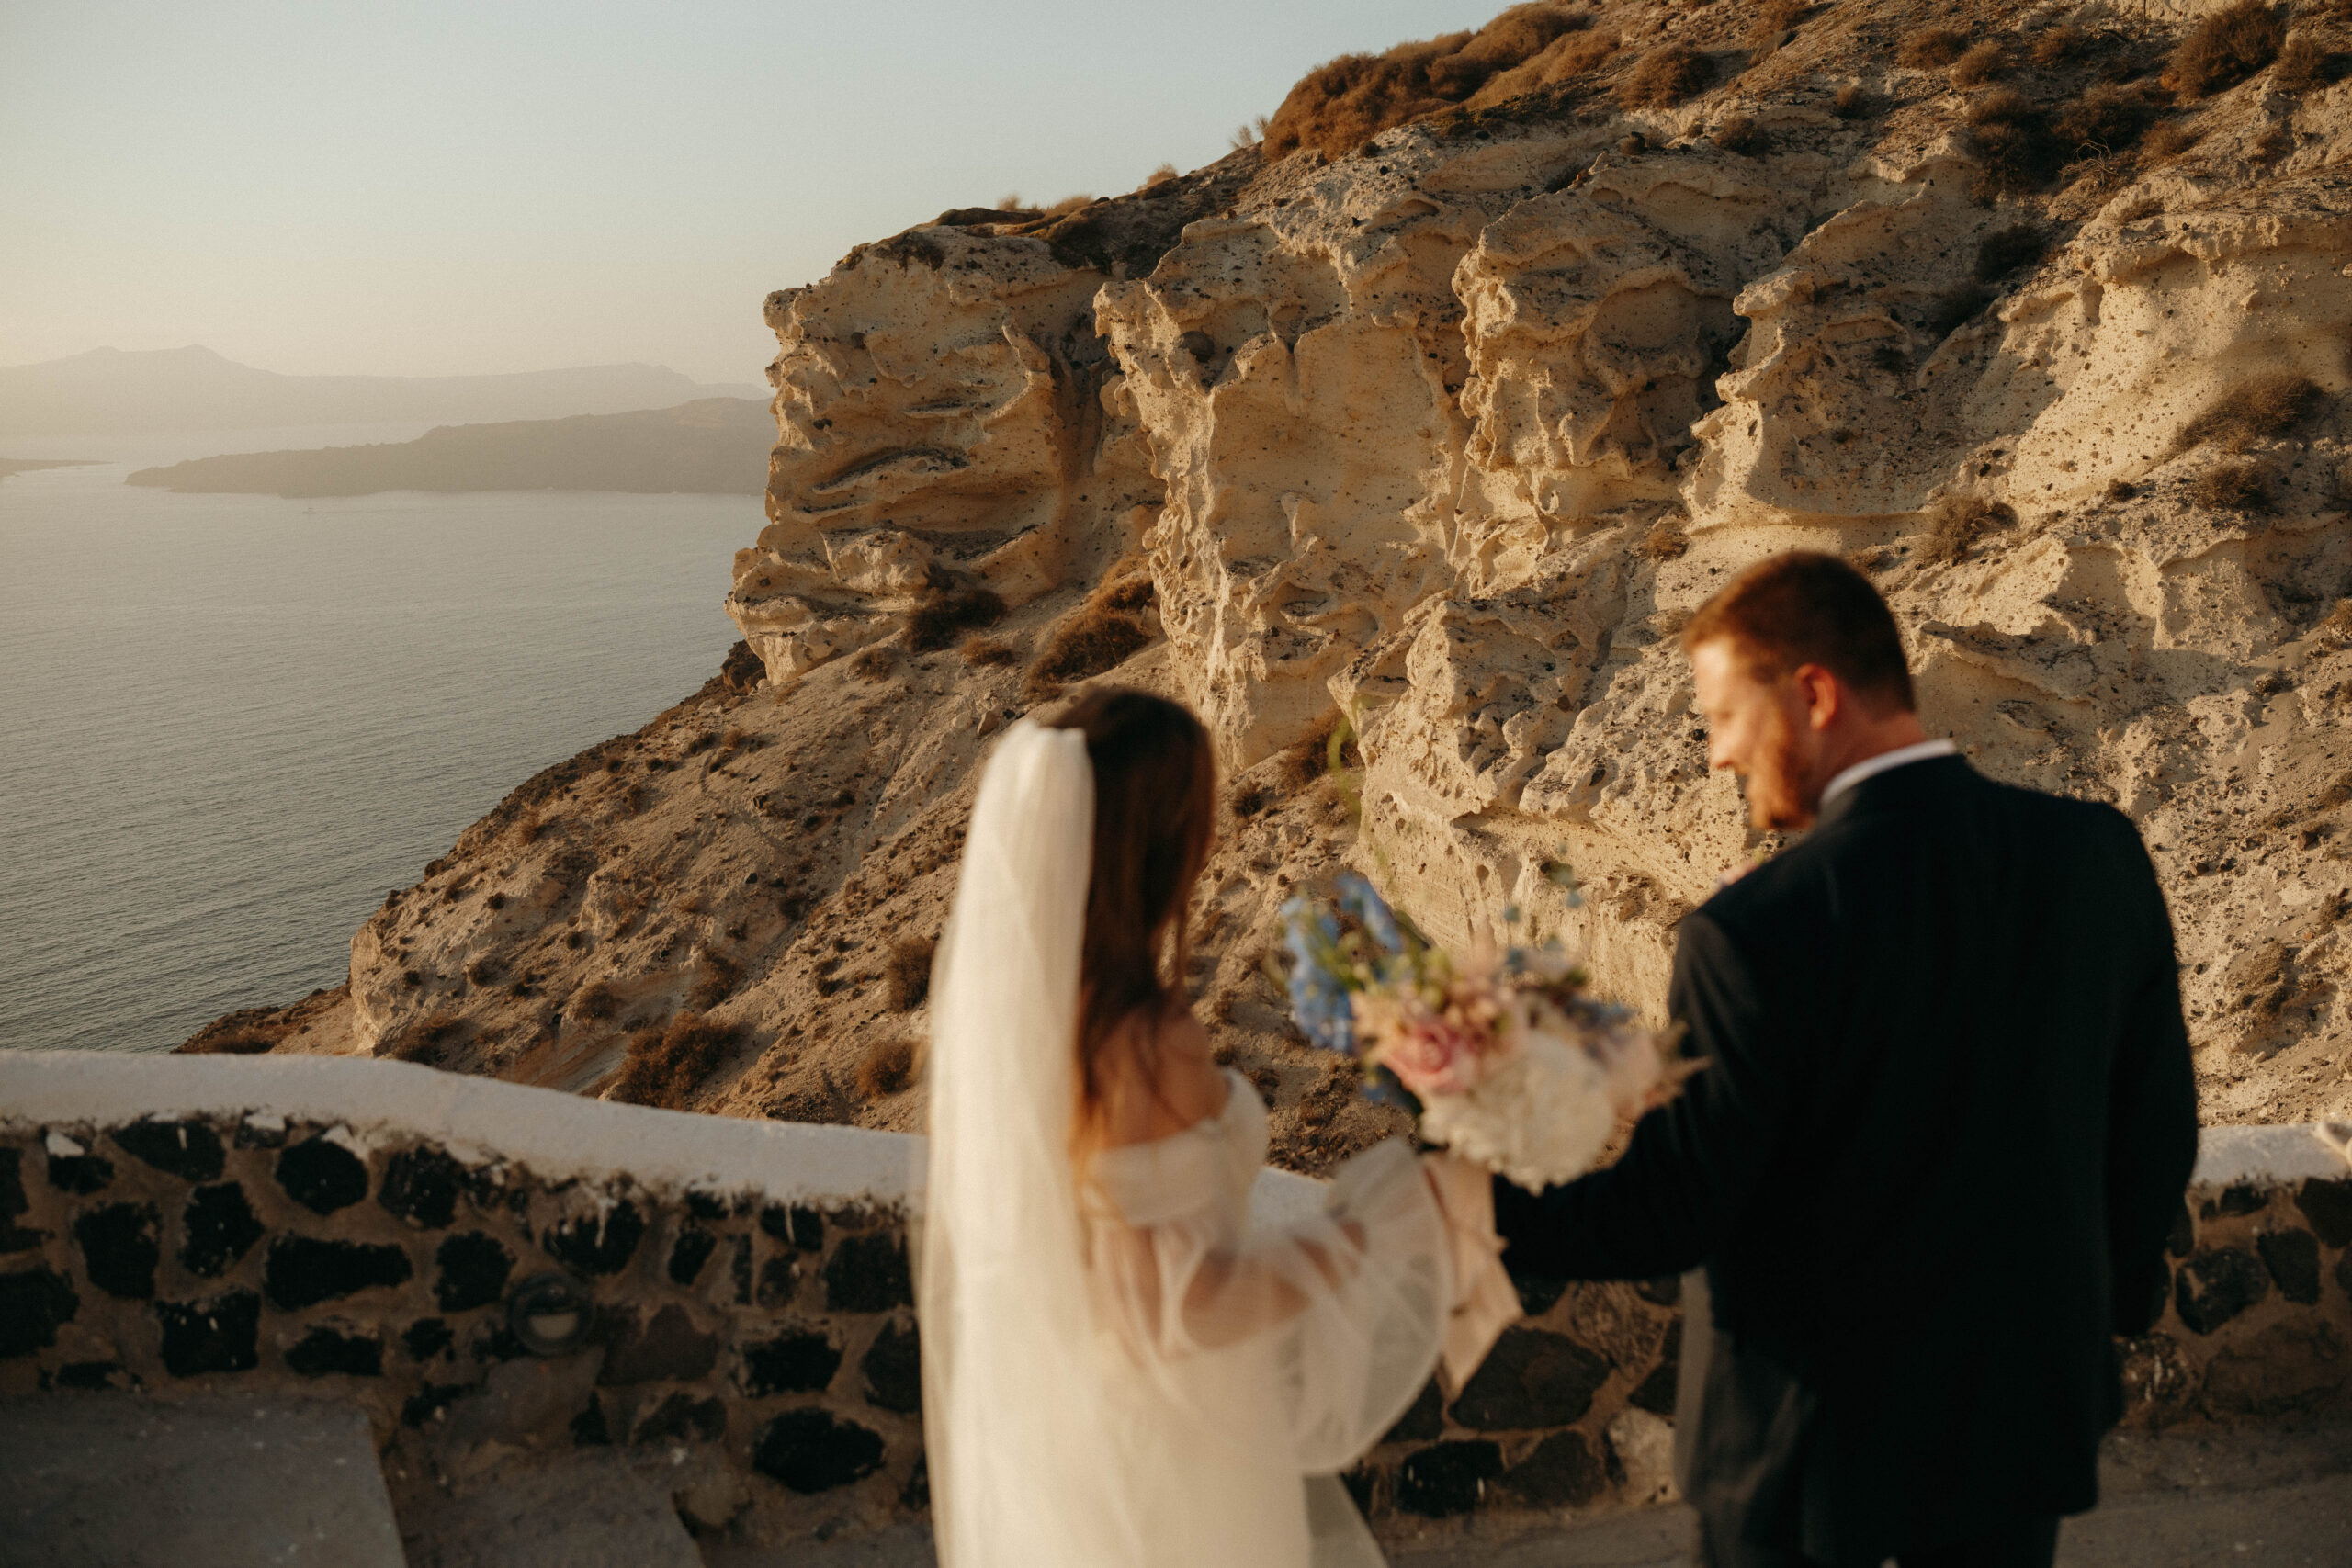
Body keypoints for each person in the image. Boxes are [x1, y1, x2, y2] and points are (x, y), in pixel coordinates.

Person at [1491, 553, 2199, 1568]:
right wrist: (2091, 1316)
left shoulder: (1750, 934)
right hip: (2020, 1420)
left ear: (1813, 693)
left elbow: (1675, 1207)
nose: (1715, 757)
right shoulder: (2093, 857)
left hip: (1813, 1459)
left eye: (1724, 717)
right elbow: (2153, 1131)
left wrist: (1475, 1203)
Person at [920, 688, 1510, 1568]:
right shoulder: (1146, 1042)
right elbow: (1180, 1307)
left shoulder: (1022, 1017)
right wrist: (1383, 1225)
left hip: (1072, 1414)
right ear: (1157, 845)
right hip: (1178, 1441)